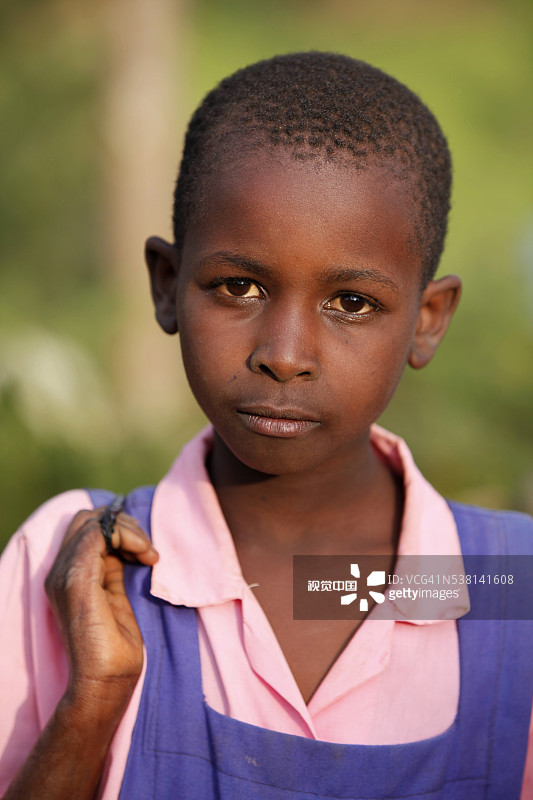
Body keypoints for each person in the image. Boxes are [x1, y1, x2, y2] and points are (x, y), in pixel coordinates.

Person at [0, 52, 531, 800]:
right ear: (167, 287)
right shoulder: (71, 563)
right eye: (238, 286)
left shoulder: (508, 583)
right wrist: (92, 705)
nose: (283, 357)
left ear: (426, 320)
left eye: (350, 303)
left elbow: (322, 589)